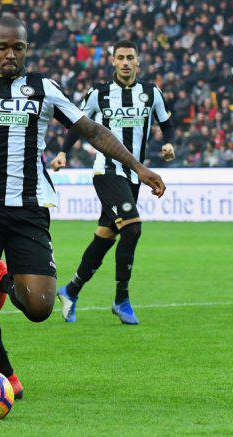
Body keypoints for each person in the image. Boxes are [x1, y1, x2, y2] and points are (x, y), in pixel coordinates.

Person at [0, 16, 165, 399]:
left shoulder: (44, 88)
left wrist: (138, 167)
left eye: (18, 47)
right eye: (2, 47)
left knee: (39, 307)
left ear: (26, 50)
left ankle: (3, 279)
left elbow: (93, 131)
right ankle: (6, 375)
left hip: (29, 209)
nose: (10, 54)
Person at [51, 40, 175, 325]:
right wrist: (62, 152)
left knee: (105, 237)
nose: (126, 62)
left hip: (135, 177)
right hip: (106, 171)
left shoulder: (151, 92)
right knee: (132, 229)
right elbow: (77, 123)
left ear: (138, 61)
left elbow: (166, 123)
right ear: (113, 62)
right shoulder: (100, 94)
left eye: (130, 57)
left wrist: (168, 145)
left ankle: (71, 290)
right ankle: (122, 298)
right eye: (120, 57)